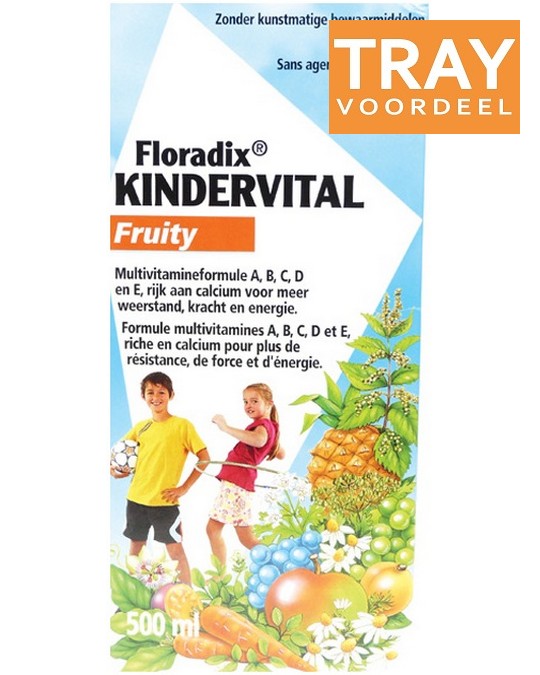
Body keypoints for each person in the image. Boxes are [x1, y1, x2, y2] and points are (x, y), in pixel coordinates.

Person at [111, 371, 209, 585]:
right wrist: (116, 471)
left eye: (161, 392)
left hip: (165, 502)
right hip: (136, 499)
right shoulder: (141, 427)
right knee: (136, 550)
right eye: (150, 392)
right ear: (143, 396)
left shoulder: (182, 425)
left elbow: (204, 458)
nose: (156, 397)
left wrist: (184, 488)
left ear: (171, 395)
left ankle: (187, 594)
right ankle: (134, 594)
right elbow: (119, 455)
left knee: (175, 551)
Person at [206, 383, 285, 564]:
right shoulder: (270, 426)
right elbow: (281, 453)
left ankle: (219, 574)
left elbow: (259, 440)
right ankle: (280, 560)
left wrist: (225, 427)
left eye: (254, 401)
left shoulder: (263, 426)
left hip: (236, 483)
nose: (248, 405)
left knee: (213, 529)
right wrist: (272, 446)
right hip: (240, 484)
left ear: (269, 404)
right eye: (245, 401)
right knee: (246, 539)